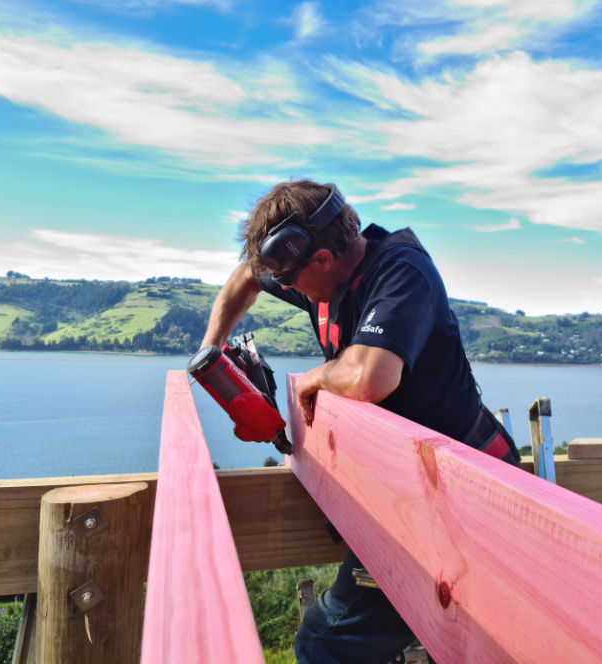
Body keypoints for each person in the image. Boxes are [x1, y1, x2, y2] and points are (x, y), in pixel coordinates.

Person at [201, 179, 520, 664]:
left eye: (290, 281)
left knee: (323, 646)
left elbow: (372, 376)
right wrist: (212, 349)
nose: (286, 290)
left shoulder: (401, 272)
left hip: (472, 493)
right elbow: (246, 277)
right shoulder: (312, 268)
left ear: (323, 260)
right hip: (417, 491)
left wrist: (318, 377)